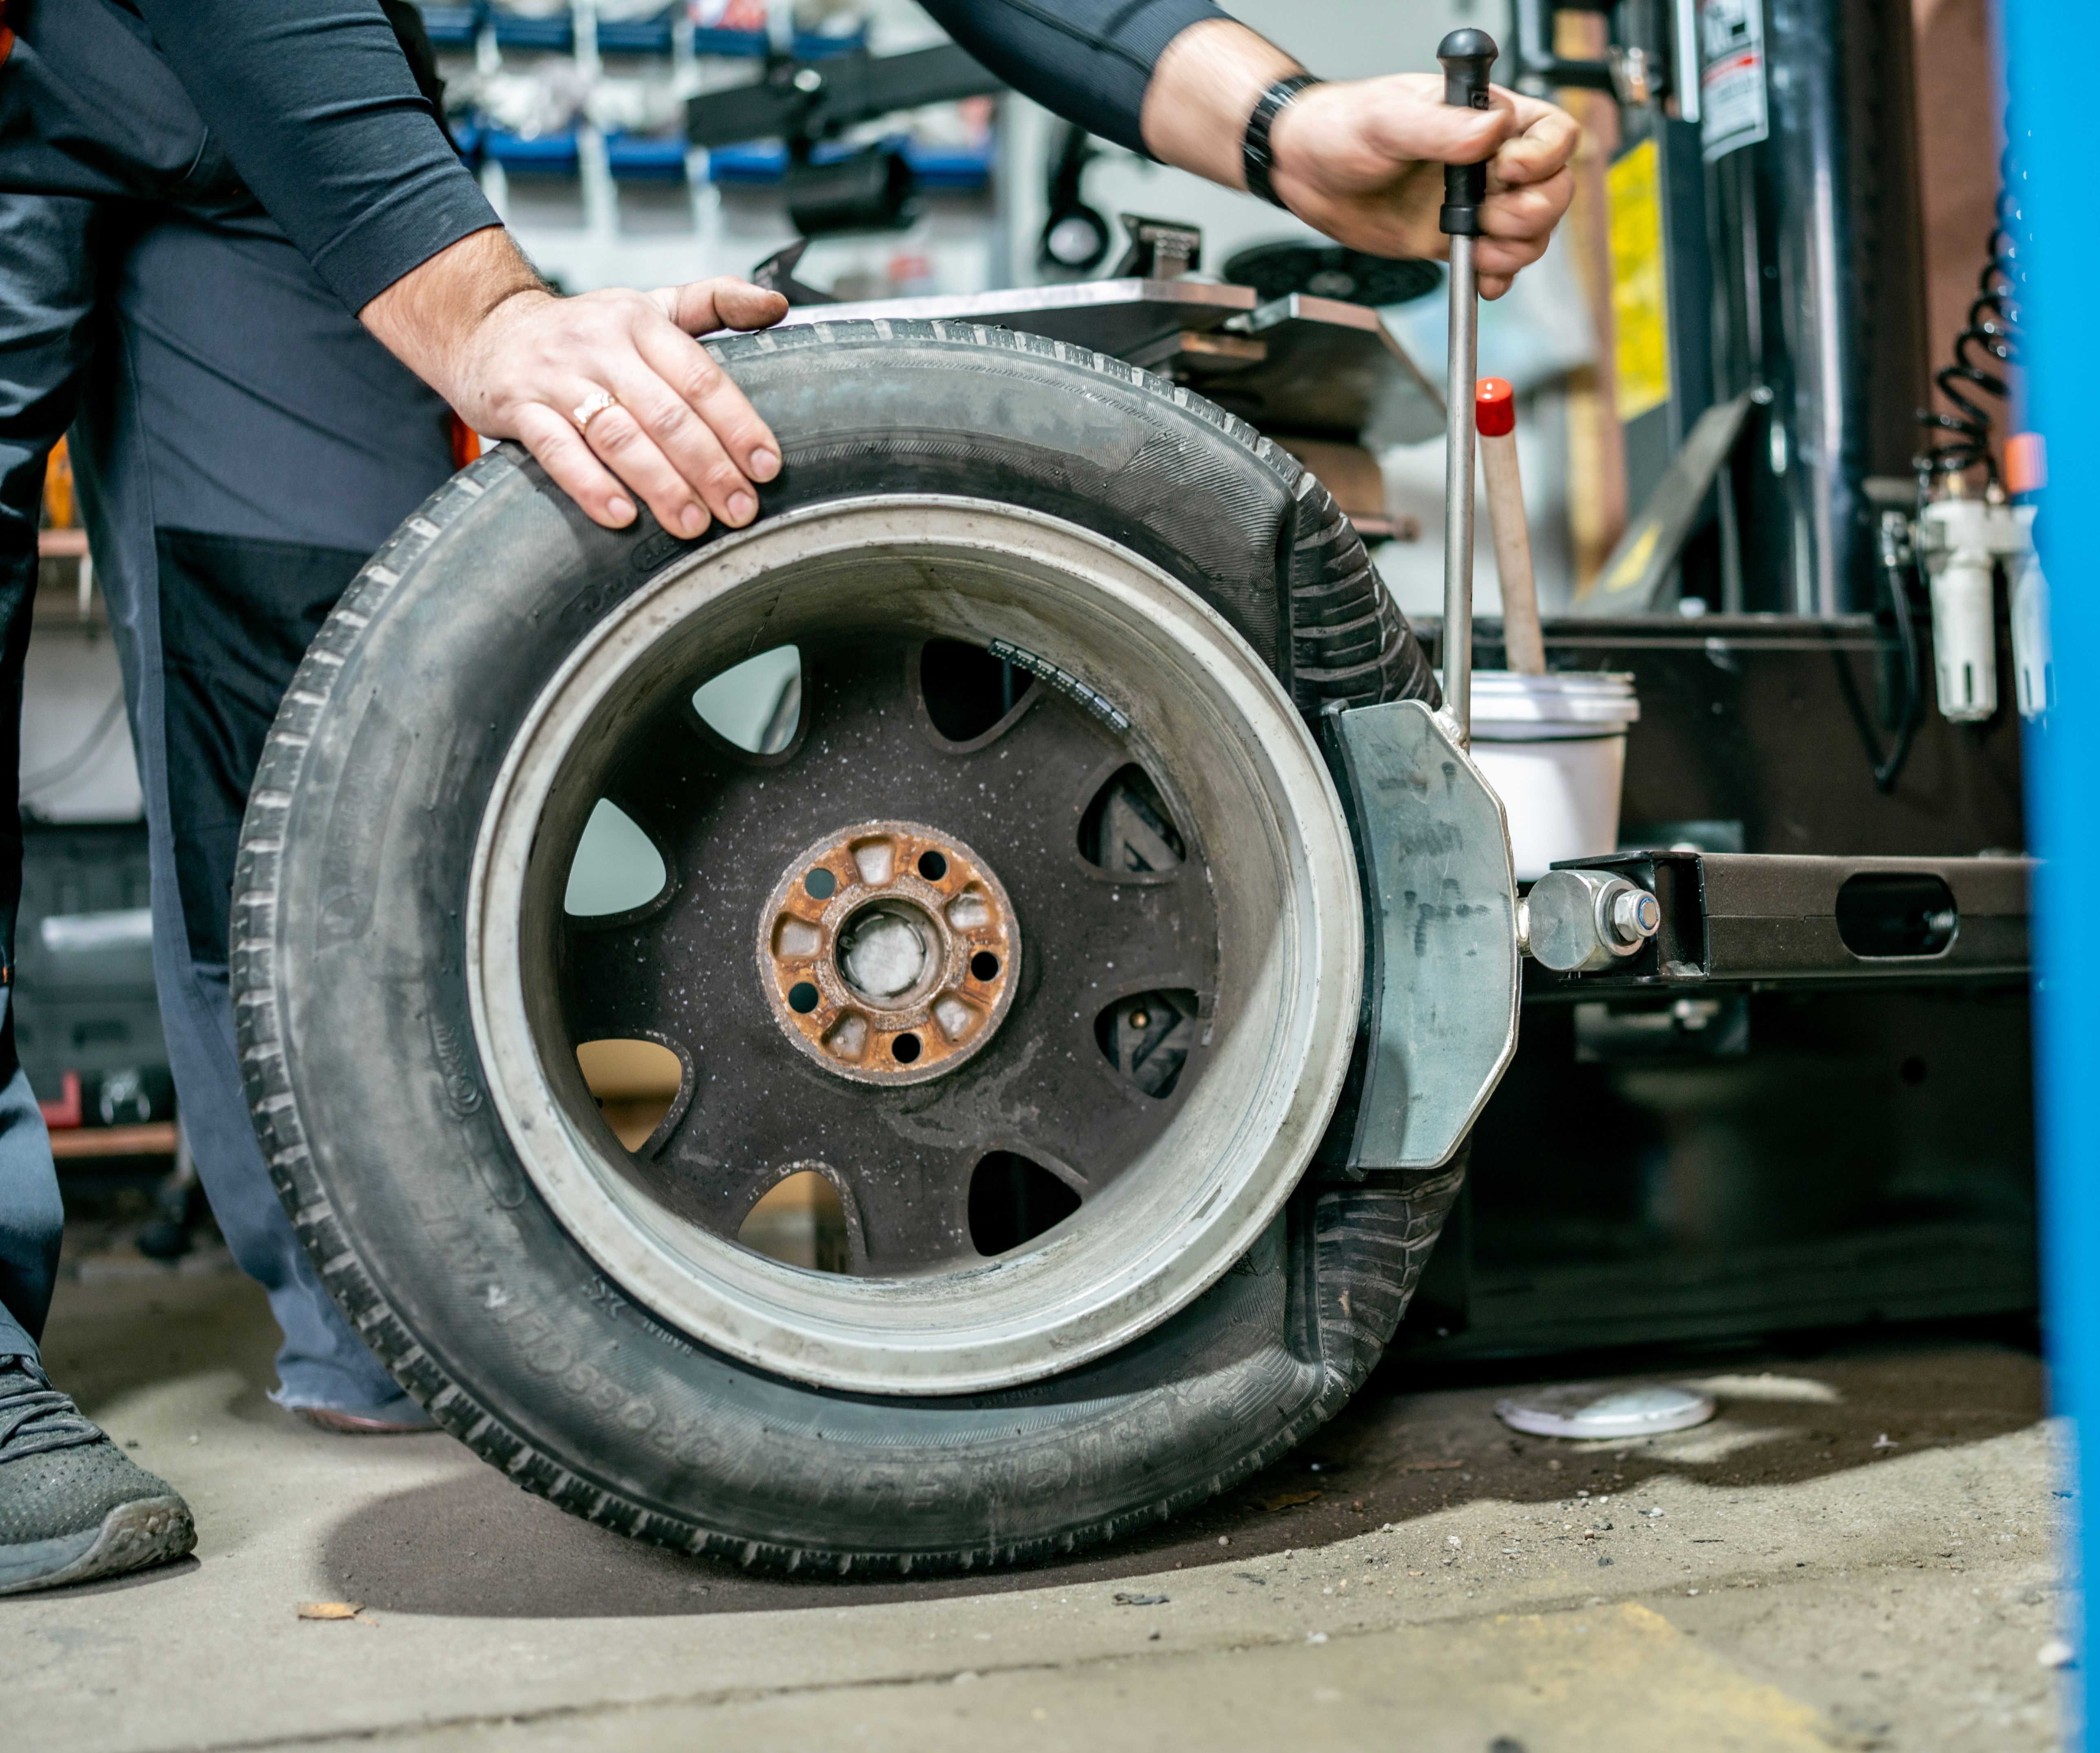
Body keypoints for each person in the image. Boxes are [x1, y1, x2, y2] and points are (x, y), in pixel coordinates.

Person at [0, 2, 1575, 1593]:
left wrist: (1277, 124)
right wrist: (484, 306)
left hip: (243, 112)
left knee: (312, 696)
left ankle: (376, 1302)